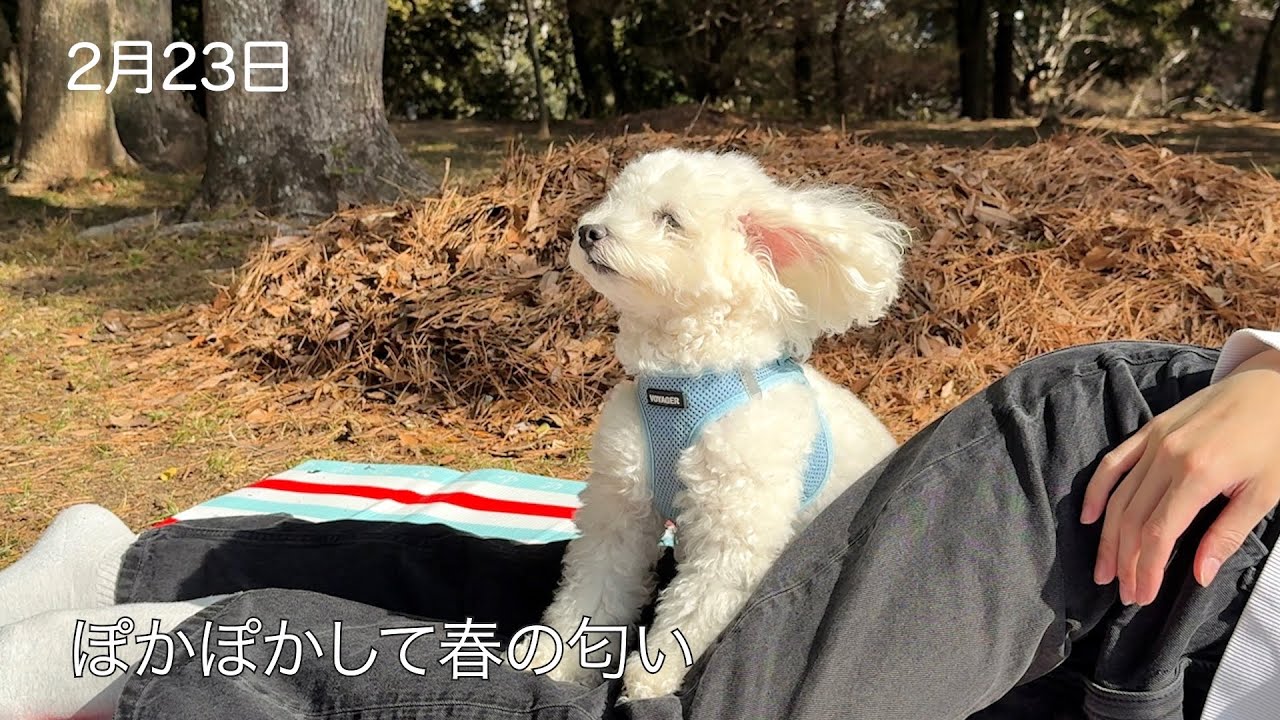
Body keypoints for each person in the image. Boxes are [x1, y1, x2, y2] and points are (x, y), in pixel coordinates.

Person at [0, 332, 1277, 720]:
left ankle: (122, 566)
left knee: (642, 617)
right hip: (1153, 504)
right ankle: (184, 650)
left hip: (1172, 677)